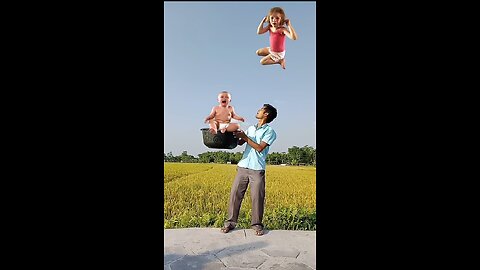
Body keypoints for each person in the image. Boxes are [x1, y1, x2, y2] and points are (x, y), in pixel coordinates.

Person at [221, 104, 278, 236]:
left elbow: (259, 147)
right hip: (243, 166)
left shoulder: (270, 132)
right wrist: (234, 133)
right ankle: (230, 222)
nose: (257, 111)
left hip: (257, 169)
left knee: (257, 197)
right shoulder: (251, 128)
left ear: (266, 114)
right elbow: (241, 142)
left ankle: (257, 224)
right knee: (235, 195)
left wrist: (245, 137)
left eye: (260, 110)